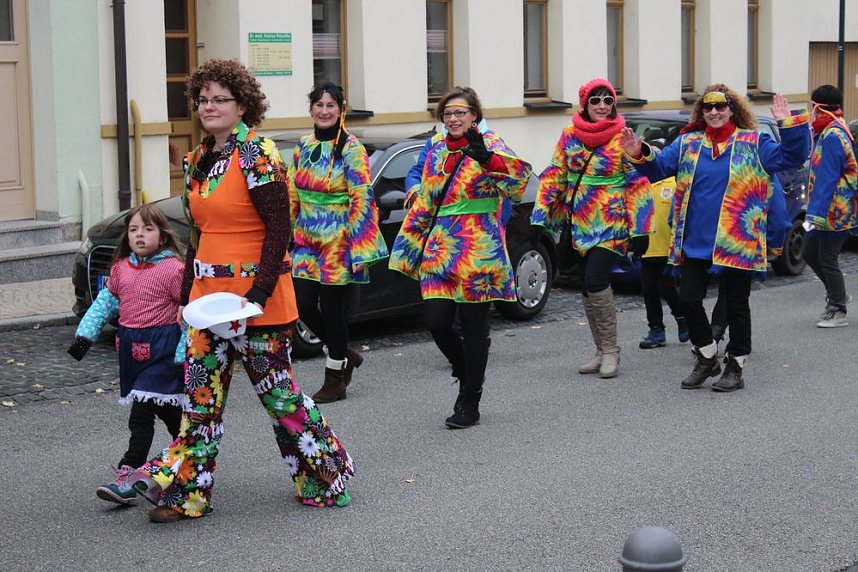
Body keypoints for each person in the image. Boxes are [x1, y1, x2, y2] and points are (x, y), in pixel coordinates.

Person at [128, 59, 353, 522]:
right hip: (207, 303)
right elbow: (196, 235)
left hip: (257, 302)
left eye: (219, 99)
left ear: (242, 104)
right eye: (202, 99)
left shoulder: (259, 154)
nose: (208, 107)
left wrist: (261, 290)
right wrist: (186, 297)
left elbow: (278, 227)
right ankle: (185, 493)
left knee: (280, 399)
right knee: (200, 401)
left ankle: (325, 474)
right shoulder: (197, 159)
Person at [622, 85, 810, 392]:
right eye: (708, 107)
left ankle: (736, 365)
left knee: (736, 305)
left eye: (721, 106)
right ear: (701, 112)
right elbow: (658, 168)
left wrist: (787, 125)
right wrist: (638, 152)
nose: (714, 112)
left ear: (732, 109)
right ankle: (708, 356)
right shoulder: (688, 144)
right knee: (688, 298)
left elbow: (792, 155)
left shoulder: (753, 142)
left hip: (737, 239)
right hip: (695, 238)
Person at [389, 86, 532, 429]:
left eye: (460, 113)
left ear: (474, 116)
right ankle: (466, 370)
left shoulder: (491, 142)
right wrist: (408, 246)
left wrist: (485, 157)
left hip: (478, 246)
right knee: (436, 321)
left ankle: (470, 400)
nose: (453, 119)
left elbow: (518, 184)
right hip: (440, 246)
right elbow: (426, 195)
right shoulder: (437, 147)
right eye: (448, 114)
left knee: (473, 327)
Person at [531, 78, 654, 378]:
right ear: (584, 104)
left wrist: (641, 229)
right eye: (595, 101)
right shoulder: (570, 135)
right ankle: (600, 350)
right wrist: (540, 217)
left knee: (597, 279)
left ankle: (612, 350)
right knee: (586, 285)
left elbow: (637, 182)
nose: (602, 106)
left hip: (611, 221)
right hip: (580, 222)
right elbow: (555, 176)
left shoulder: (622, 135)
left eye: (607, 101)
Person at [68, 204, 186, 506]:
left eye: (147, 229)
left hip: (164, 353)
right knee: (172, 416)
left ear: (162, 235)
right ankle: (188, 459)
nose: (139, 235)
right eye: (133, 229)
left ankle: (128, 475)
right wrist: (84, 338)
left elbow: (189, 311)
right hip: (133, 356)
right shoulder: (121, 269)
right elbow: (104, 304)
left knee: (141, 416)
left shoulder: (173, 269)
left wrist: (185, 350)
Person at [288, 82, 388, 402]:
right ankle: (345, 350)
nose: (324, 110)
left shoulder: (351, 149)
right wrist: (281, 237)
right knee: (302, 305)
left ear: (341, 110)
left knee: (332, 309)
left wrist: (361, 247)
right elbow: (291, 193)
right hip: (306, 238)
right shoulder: (302, 146)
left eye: (331, 105)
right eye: (319, 104)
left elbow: (362, 198)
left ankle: (335, 379)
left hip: (338, 240)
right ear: (311, 110)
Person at [802, 84, 858, 328]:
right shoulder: (827, 131)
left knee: (827, 258)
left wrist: (814, 214)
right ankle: (837, 293)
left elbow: (827, 177)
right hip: (826, 208)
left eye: (812, 105)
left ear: (819, 107)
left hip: (834, 210)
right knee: (809, 253)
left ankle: (838, 309)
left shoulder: (833, 135)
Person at [638, 176, 689, 349]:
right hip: (647, 249)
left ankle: (682, 317)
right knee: (649, 290)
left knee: (666, 287)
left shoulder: (673, 184)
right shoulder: (642, 184)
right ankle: (656, 330)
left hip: (667, 248)